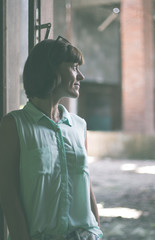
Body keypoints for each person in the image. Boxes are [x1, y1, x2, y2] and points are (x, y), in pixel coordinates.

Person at [0, 36, 103, 240]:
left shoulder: (79, 126)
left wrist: (97, 229)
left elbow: (86, 183)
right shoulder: (14, 125)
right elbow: (8, 193)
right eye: (74, 67)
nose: (81, 76)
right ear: (51, 70)